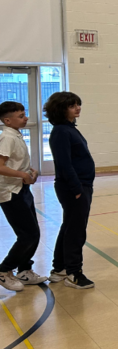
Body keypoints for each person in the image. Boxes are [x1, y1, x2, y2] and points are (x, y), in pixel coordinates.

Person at [46, 92, 95, 289]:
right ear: (61, 109)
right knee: (76, 230)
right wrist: (77, 189)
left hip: (80, 185)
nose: (78, 108)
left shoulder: (69, 129)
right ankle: (74, 272)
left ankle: (60, 269)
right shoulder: (61, 132)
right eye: (72, 105)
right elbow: (64, 164)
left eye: (78, 104)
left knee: (69, 226)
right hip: (74, 187)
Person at [0, 102, 47, 292]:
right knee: (28, 235)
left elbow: (15, 163)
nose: (25, 118)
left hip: (21, 190)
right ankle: (4, 270)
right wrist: (22, 175)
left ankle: (25, 270)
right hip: (10, 193)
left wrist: (29, 172)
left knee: (32, 232)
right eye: (20, 116)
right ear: (7, 120)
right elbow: (0, 166)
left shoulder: (16, 135)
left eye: (24, 114)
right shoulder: (6, 138)